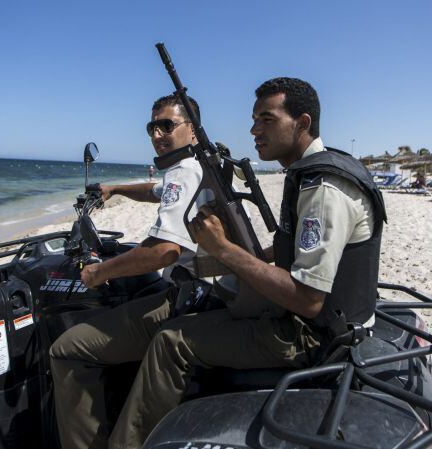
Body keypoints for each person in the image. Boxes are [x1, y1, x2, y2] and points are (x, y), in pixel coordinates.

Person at [105, 77, 386, 449]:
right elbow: (290, 255)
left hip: (315, 335)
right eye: (254, 119)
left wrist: (223, 249)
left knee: (171, 342)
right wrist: (222, 260)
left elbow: (308, 300)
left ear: (302, 123)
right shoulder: (314, 170)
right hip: (323, 321)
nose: (253, 130)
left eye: (266, 120)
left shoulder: (323, 188)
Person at [50, 94, 211, 449]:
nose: (157, 134)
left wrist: (100, 272)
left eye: (167, 125)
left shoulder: (184, 175)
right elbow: (157, 191)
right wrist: (116, 188)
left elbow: (164, 251)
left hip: (188, 300)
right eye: (152, 126)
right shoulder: (200, 167)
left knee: (67, 350)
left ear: (193, 131)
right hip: (206, 291)